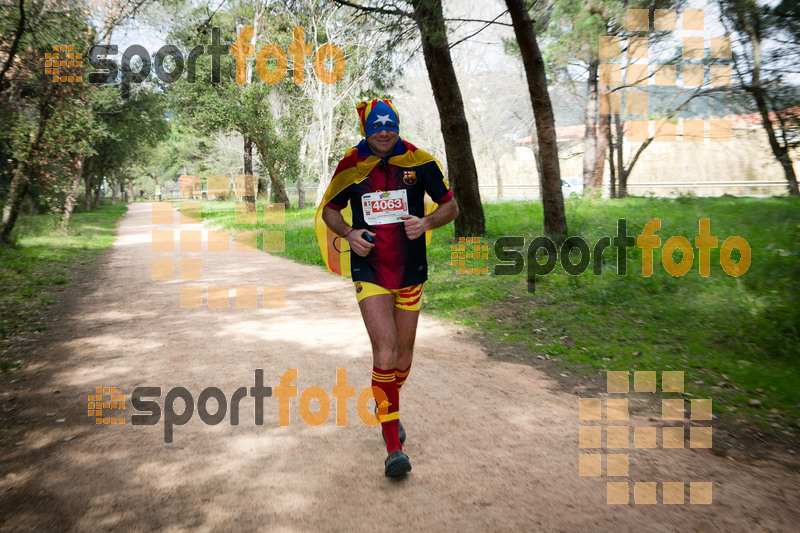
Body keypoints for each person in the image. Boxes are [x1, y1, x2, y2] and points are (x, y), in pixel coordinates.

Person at [315, 99, 459, 477]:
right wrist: (348, 232)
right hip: (370, 267)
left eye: (390, 126)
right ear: (367, 131)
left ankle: (388, 405)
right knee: (385, 350)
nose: (383, 132)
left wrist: (427, 223)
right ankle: (393, 445)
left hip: (411, 268)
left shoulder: (420, 161)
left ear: (397, 127)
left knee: (403, 359)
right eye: (377, 127)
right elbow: (330, 209)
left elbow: (451, 206)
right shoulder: (351, 164)